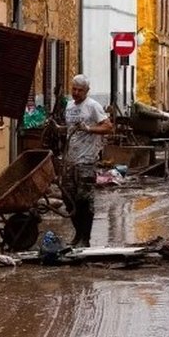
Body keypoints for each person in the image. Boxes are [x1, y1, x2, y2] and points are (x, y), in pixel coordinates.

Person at [62, 74, 113, 247]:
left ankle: (86, 238)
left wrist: (89, 128)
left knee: (84, 200)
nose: (76, 93)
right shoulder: (69, 106)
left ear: (87, 91)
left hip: (87, 160)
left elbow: (108, 127)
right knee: (68, 198)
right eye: (73, 89)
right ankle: (78, 233)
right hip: (70, 160)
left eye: (80, 90)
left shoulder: (93, 106)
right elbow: (70, 129)